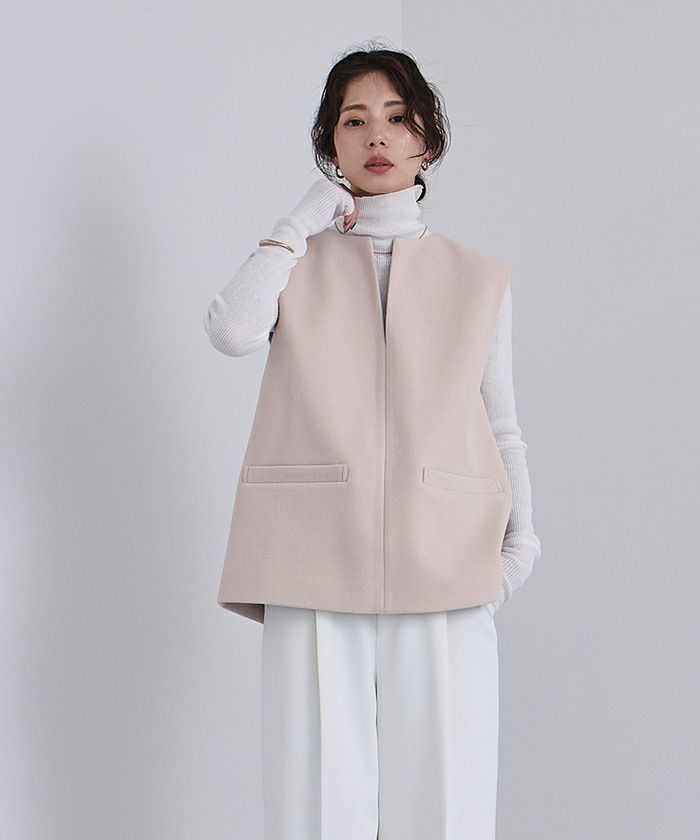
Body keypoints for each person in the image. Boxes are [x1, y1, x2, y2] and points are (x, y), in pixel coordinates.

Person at [204, 45, 541, 840]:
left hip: (449, 563)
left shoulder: (479, 277)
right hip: (311, 560)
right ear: (331, 143)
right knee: (316, 812)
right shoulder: (295, 263)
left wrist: (520, 545)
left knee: (447, 811)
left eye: (396, 117)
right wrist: (298, 221)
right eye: (353, 121)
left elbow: (501, 422)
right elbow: (230, 331)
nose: (377, 135)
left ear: (428, 138)